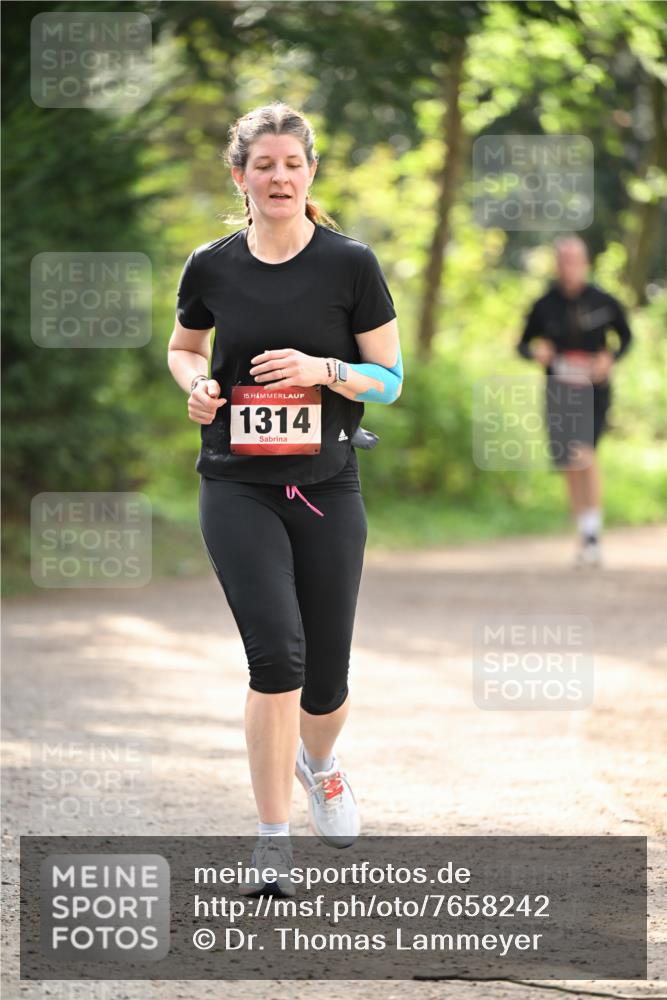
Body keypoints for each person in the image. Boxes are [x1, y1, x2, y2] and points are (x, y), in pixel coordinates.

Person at [167, 102, 403, 896]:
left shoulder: (350, 264)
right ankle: (272, 843)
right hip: (235, 481)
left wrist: (322, 369)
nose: (278, 177)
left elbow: (391, 380)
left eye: (290, 164)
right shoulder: (210, 265)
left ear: (310, 173)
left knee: (326, 676)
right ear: (239, 177)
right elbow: (183, 347)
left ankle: (322, 765)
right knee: (276, 658)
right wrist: (196, 387)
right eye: (261, 165)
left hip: (327, 483)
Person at [517, 235, 632, 568]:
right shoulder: (544, 304)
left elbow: (626, 338)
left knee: (585, 452)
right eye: (562, 260)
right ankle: (586, 533)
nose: (569, 266)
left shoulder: (604, 301)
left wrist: (610, 358)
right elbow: (523, 343)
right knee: (569, 460)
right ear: (556, 265)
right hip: (559, 390)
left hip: (594, 390)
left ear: (585, 263)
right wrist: (535, 352)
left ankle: (594, 535)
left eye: (574, 259)